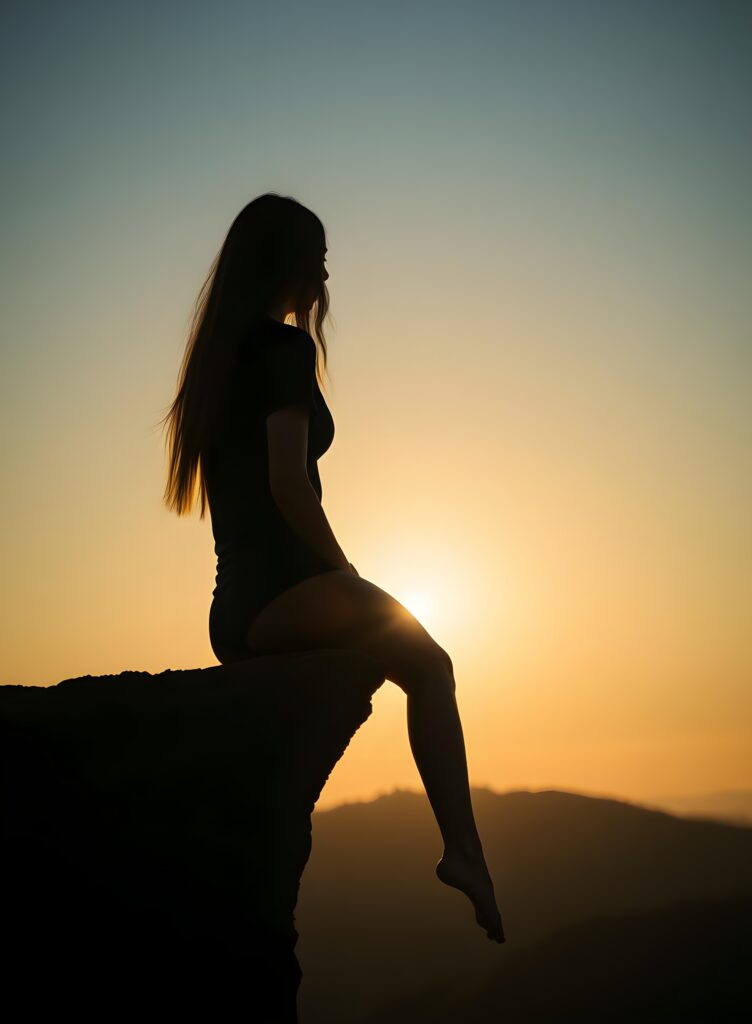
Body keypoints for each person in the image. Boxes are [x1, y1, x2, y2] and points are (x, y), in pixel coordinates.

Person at [158, 193, 505, 943]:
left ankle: (465, 853)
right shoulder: (284, 351)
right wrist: (343, 573)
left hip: (235, 611)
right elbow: (288, 485)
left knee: (410, 661)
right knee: (432, 667)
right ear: (283, 262)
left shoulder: (222, 360)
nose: (324, 274)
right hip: (286, 592)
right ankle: (464, 852)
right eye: (316, 257)